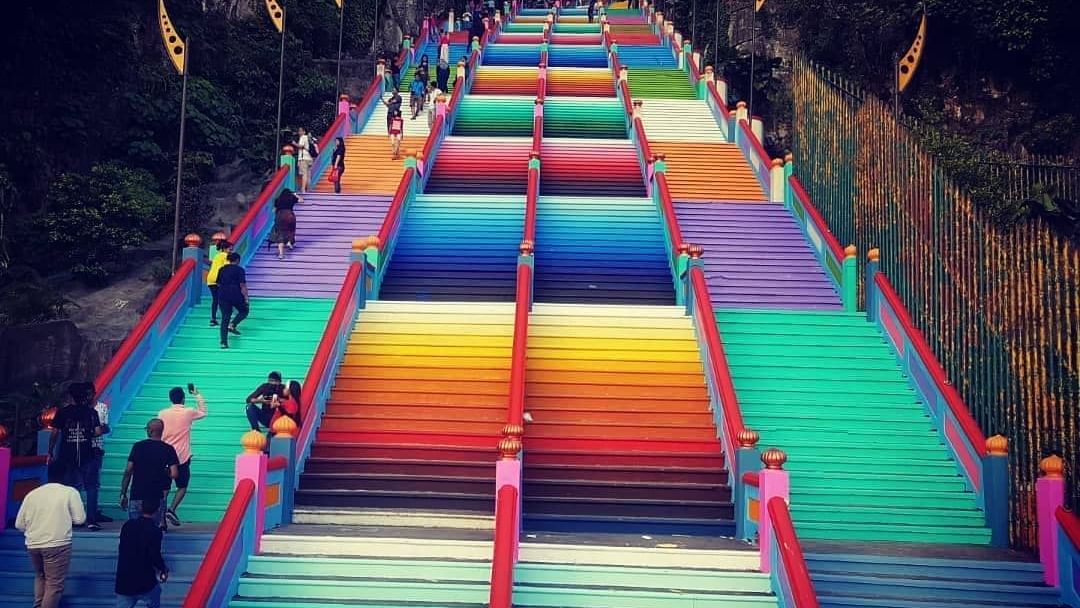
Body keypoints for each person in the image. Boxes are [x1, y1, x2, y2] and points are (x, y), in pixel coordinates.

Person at [15, 463, 86, 608]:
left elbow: (19, 525)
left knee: (41, 577)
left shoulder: (33, 493)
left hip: (33, 544)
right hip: (57, 544)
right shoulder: (69, 492)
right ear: (67, 475)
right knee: (54, 585)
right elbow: (80, 519)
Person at [49, 382, 108, 531]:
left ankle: (70, 518)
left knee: (69, 487)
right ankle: (92, 520)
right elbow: (96, 432)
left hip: (67, 455)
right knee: (91, 487)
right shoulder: (91, 413)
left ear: (71, 396)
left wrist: (50, 450)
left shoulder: (62, 412)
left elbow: (55, 432)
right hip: (87, 454)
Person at [157, 385, 207, 528]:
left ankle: (161, 521)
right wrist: (197, 394)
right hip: (182, 456)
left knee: (164, 490)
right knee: (182, 486)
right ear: (183, 399)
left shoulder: (162, 413)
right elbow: (204, 412)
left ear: (170, 399)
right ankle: (172, 509)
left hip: (165, 456)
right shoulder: (188, 412)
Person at [119, 419, 179, 531]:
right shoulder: (168, 449)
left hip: (137, 494)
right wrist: (164, 471)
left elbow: (128, 471)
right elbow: (174, 474)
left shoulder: (138, 446)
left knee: (134, 530)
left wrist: (123, 493)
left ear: (150, 431)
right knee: (152, 530)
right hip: (156, 496)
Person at [114, 497, 169, 608]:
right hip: (145, 581)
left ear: (141, 508)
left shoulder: (127, 526)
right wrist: (163, 569)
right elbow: (155, 555)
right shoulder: (155, 531)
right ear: (157, 510)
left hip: (124, 580)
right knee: (155, 594)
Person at [215, 253, 248, 349]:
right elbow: (242, 285)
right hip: (235, 293)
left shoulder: (222, 269)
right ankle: (233, 324)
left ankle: (223, 343)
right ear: (237, 260)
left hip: (223, 294)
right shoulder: (240, 270)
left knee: (225, 318)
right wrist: (246, 297)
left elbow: (218, 283)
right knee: (244, 311)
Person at [206, 240, 232, 327]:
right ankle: (226, 318)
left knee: (215, 299)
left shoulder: (216, 255)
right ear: (225, 248)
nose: (231, 250)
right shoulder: (226, 256)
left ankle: (213, 319)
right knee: (223, 299)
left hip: (210, 279)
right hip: (218, 279)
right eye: (230, 249)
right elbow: (227, 268)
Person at [272, 188, 302, 261]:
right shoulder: (291, 198)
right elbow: (301, 200)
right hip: (289, 215)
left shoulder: (278, 200)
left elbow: (273, 210)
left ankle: (281, 254)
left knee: (280, 233)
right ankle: (289, 242)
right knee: (291, 229)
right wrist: (296, 195)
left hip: (280, 215)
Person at [293, 127, 315, 193]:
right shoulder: (310, 138)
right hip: (310, 158)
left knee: (304, 174)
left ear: (304, 132)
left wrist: (294, 143)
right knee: (308, 175)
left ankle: (303, 189)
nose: (299, 132)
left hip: (303, 158)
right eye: (299, 131)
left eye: (301, 131)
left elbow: (301, 146)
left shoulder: (303, 137)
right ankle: (309, 189)